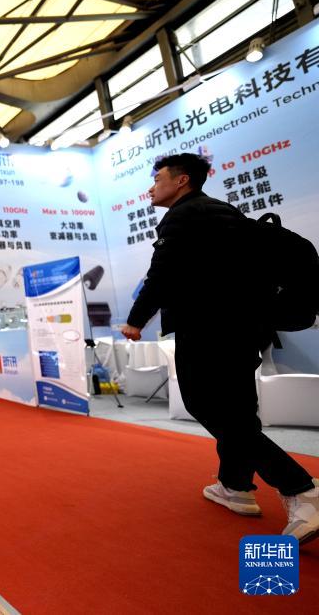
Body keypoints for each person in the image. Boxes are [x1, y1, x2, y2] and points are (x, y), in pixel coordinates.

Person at [120, 152, 318, 544]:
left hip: (208, 327)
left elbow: (161, 276)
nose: (151, 187)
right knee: (238, 411)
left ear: (181, 180)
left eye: (157, 178)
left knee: (206, 406)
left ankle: (301, 489)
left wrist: (136, 320)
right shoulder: (224, 213)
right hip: (248, 327)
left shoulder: (184, 215)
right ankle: (235, 485)